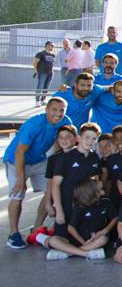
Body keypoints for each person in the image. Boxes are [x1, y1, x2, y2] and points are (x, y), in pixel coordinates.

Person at [5, 98, 73, 249]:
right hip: (16, 159)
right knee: (18, 193)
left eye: (61, 110)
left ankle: (36, 229)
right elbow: (20, 151)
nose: (58, 113)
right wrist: (21, 179)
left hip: (39, 160)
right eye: (54, 109)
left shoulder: (65, 121)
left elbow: (67, 141)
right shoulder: (34, 124)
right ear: (47, 110)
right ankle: (13, 234)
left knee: (51, 191)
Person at [33, 41, 57, 105]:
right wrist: (36, 72)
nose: (52, 47)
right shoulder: (40, 54)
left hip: (50, 73)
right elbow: (35, 63)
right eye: (51, 45)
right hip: (42, 72)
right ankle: (37, 101)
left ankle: (43, 100)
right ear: (47, 45)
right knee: (40, 86)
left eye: (53, 46)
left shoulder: (52, 54)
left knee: (46, 87)